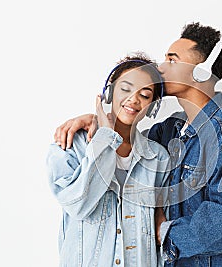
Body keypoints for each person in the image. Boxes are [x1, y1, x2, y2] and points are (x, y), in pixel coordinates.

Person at [54, 22, 222, 266]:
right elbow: (132, 144)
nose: (161, 67)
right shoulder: (170, 130)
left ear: (202, 72)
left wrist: (165, 233)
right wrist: (97, 120)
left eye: (172, 60)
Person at [46, 54, 171, 267]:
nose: (133, 99)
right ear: (109, 92)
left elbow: (157, 235)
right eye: (125, 88)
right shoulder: (71, 144)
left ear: (152, 106)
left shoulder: (158, 158)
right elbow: (79, 205)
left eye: (145, 95)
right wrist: (104, 136)